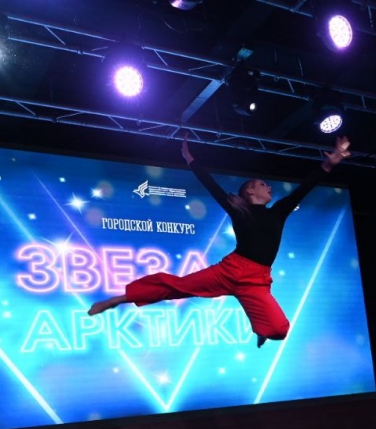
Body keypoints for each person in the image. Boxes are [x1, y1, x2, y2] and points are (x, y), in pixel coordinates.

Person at [87, 134, 352, 347]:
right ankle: (116, 300)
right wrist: (190, 159)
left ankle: (260, 328)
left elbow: (305, 188)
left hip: (257, 280)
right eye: (263, 184)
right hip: (230, 271)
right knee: (177, 286)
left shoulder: (279, 211)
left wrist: (330, 164)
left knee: (279, 331)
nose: (269, 187)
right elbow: (210, 184)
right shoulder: (238, 210)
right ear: (250, 191)